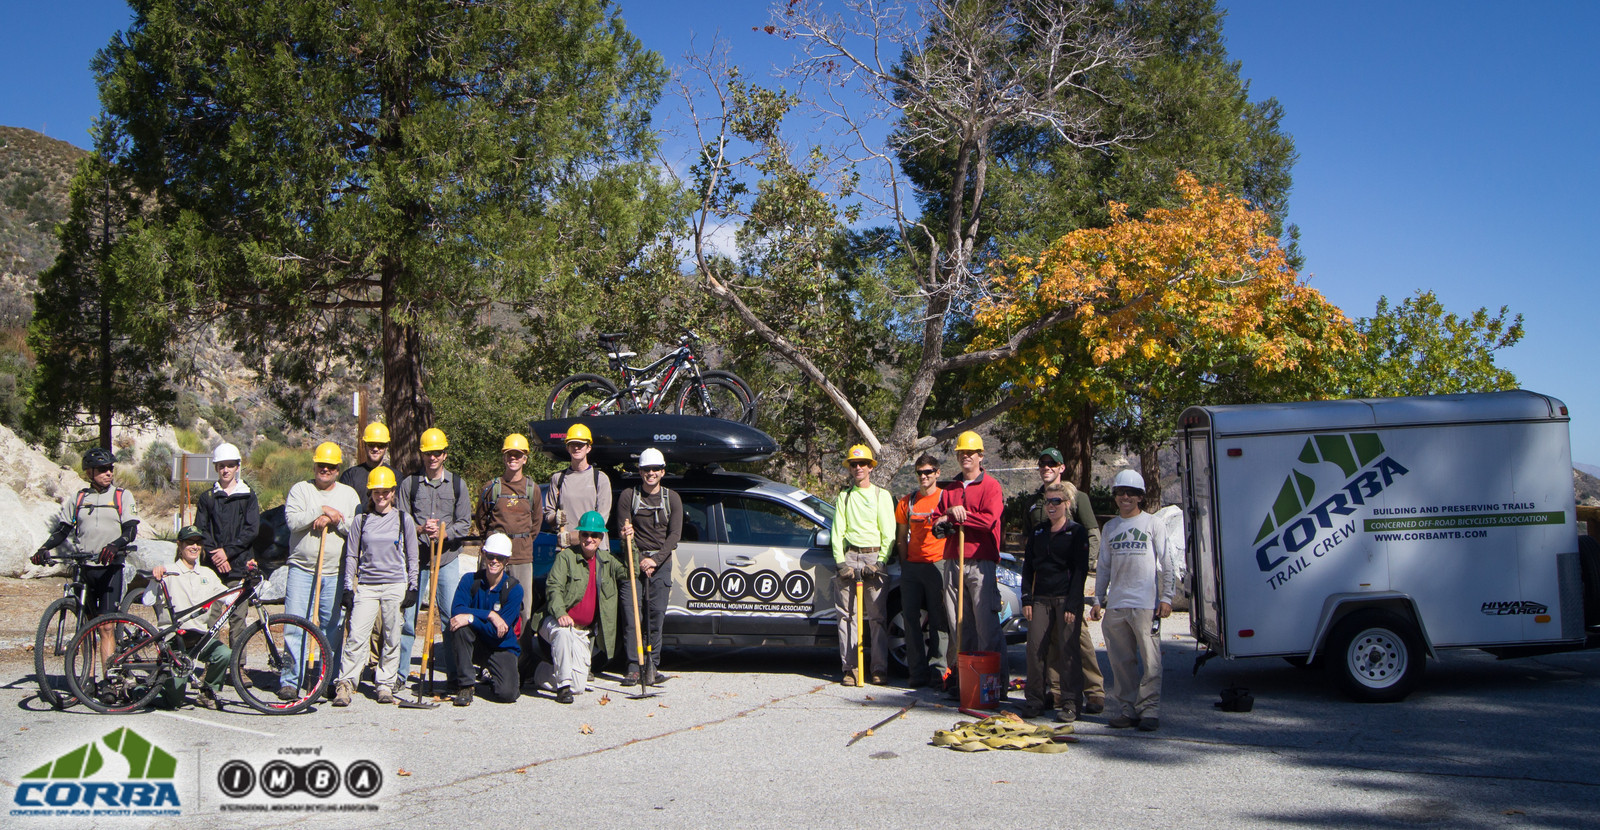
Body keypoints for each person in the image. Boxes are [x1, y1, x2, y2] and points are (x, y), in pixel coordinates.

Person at [33, 447, 138, 669]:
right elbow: (62, 531)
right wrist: (43, 548)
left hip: (110, 567)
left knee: (106, 626)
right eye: (102, 469)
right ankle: (87, 680)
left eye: (110, 468)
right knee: (85, 627)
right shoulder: (79, 498)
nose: (108, 473)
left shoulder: (121, 496)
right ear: (89, 473)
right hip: (84, 568)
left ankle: (108, 679)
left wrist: (115, 545)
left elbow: (130, 531)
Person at [1089, 470, 1177, 732]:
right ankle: (1127, 710)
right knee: (1121, 662)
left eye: (1131, 493)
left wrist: (1167, 597)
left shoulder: (1153, 524)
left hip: (1146, 605)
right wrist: (1097, 599)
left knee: (1151, 661)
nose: (1125, 497)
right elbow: (1103, 567)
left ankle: (1149, 711)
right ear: (1115, 496)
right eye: (1120, 492)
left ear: (1140, 497)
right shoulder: (1111, 528)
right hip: (1117, 605)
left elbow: (1167, 563)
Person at [1025, 448, 1105, 715]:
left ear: (1062, 468)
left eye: (1052, 463)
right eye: (1042, 463)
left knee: (1077, 640)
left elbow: (1092, 535)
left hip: (1069, 583)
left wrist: (1087, 572)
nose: (1046, 467)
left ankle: (1093, 692)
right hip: (1043, 584)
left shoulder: (1077, 497)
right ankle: (1056, 693)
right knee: (1046, 642)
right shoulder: (1038, 500)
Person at [332, 466, 419, 706]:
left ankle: (385, 684)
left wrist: (413, 587)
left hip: (395, 584)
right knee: (357, 636)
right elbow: (351, 556)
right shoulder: (361, 520)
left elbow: (413, 557)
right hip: (368, 585)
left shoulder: (403, 520)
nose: (381, 496)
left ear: (393, 492)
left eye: (385, 492)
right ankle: (346, 683)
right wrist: (349, 588)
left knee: (392, 636)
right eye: (376, 492)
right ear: (370, 494)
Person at [279, 442, 360, 700]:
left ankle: (327, 679)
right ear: (314, 465)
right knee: (295, 623)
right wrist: (322, 510)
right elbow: (293, 521)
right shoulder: (301, 490)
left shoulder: (349, 495)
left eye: (331, 466)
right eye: (321, 465)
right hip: (302, 570)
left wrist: (337, 519)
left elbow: (355, 530)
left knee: (331, 626)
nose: (325, 469)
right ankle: (291, 680)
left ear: (338, 469)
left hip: (334, 572)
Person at [930, 430, 1007, 693]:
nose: (966, 457)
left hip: (980, 561)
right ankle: (964, 682)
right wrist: (950, 514)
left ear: (980, 456)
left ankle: (994, 683)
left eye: (970, 453)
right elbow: (936, 522)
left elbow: (988, 521)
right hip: (953, 559)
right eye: (962, 453)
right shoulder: (950, 488)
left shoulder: (991, 486)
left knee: (986, 625)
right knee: (959, 625)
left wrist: (960, 517)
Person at [396, 427, 472, 691]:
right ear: (422, 454)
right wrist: (419, 529)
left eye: (437, 453)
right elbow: (400, 520)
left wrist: (443, 532)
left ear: (445, 455)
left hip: (447, 559)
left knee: (451, 616)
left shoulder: (458, 484)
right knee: (407, 618)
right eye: (428, 453)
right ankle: (400, 675)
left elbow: (464, 524)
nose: (432, 458)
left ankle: (454, 677)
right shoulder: (409, 484)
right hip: (417, 561)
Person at [1020, 482, 1089, 721]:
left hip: (1065, 598)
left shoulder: (1076, 532)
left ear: (1067, 504)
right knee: (1035, 648)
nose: (1051, 506)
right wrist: (1026, 597)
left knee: (1068, 650)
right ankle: (1035, 700)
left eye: (1056, 501)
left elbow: (1080, 571)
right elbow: (1028, 566)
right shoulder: (1038, 532)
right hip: (1041, 598)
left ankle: (1071, 702)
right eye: (1048, 501)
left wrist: (1073, 603)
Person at [475, 433, 542, 679]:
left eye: (518, 455)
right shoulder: (491, 488)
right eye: (509, 454)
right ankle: (487, 661)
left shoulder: (532, 489)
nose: (513, 458)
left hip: (523, 556)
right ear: (504, 457)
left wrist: (521, 542)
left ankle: (522, 664)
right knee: (489, 606)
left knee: (523, 610)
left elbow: (536, 523)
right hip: (495, 557)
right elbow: (482, 520)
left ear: (525, 458)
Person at [539, 511, 623, 704]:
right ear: (579, 535)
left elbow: (630, 571)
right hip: (557, 622)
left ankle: (539, 670)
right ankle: (562, 687)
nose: (589, 539)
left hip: (581, 632)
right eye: (585, 534)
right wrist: (560, 613)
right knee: (562, 633)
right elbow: (553, 587)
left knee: (578, 687)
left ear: (601, 538)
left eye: (594, 535)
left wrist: (630, 542)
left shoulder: (607, 561)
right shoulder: (566, 557)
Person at [616, 447, 682, 687]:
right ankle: (634, 666)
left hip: (660, 563)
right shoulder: (628, 496)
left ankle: (652, 664)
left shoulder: (672, 498)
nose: (650, 473)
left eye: (655, 469)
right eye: (646, 469)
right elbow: (621, 530)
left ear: (663, 471)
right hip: (633, 561)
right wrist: (626, 534)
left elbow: (675, 535)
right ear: (640, 471)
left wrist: (655, 560)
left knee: (655, 616)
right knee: (632, 616)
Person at [831, 444, 895, 686]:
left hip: (873, 557)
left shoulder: (881, 495)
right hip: (850, 557)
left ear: (870, 467)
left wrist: (880, 562)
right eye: (853, 464)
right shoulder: (844, 497)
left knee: (877, 618)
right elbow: (837, 532)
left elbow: (888, 533)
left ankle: (878, 669)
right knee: (847, 616)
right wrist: (840, 562)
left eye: (862, 464)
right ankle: (850, 669)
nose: (858, 468)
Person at [152, 525, 231, 710]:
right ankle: (136, 691)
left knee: (223, 654)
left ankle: (207, 691)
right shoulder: (168, 571)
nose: (195, 547)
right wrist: (154, 578)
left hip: (199, 638)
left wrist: (247, 583)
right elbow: (148, 600)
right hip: (174, 640)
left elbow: (229, 596)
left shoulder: (207, 574)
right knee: (174, 702)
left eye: (198, 543)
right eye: (190, 542)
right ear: (179, 545)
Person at [194, 441, 259, 644]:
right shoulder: (208, 498)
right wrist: (216, 554)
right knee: (211, 618)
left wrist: (227, 553)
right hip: (213, 569)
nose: (225, 470)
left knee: (238, 618)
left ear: (237, 467)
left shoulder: (248, 495)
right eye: (221, 466)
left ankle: (237, 666)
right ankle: (212, 667)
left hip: (239, 567)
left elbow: (252, 530)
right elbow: (201, 529)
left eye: (230, 465)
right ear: (215, 468)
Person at [893, 453, 949, 688]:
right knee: (911, 620)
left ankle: (939, 670)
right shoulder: (907, 502)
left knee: (939, 619)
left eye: (928, 472)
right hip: (913, 567)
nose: (923, 476)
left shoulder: (945, 499)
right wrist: (906, 565)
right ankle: (916, 672)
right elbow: (900, 538)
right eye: (919, 472)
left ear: (937, 473)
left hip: (939, 564)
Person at [446, 532, 522, 706]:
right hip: (476, 645)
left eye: (500, 557)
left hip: (500, 647)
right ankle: (465, 685)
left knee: (507, 694)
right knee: (460, 625)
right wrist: (489, 615)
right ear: (483, 554)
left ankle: (494, 673)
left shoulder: (514, 590)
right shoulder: (469, 581)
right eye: (490, 556)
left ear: (507, 561)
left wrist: (472, 618)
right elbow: (456, 611)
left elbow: (498, 633)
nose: (494, 561)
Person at [544, 422, 612, 547]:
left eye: (580, 445)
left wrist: (572, 538)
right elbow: (548, 515)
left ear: (588, 448)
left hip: (593, 548)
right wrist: (555, 518)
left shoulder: (600, 479)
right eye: (572, 444)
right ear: (567, 448)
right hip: (566, 550)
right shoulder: (558, 478)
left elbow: (601, 521)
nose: (576, 448)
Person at [339, 422, 390, 506]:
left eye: (380, 445)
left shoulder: (396, 476)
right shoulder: (350, 476)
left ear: (386, 447)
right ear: (364, 445)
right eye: (371, 444)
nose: (375, 449)